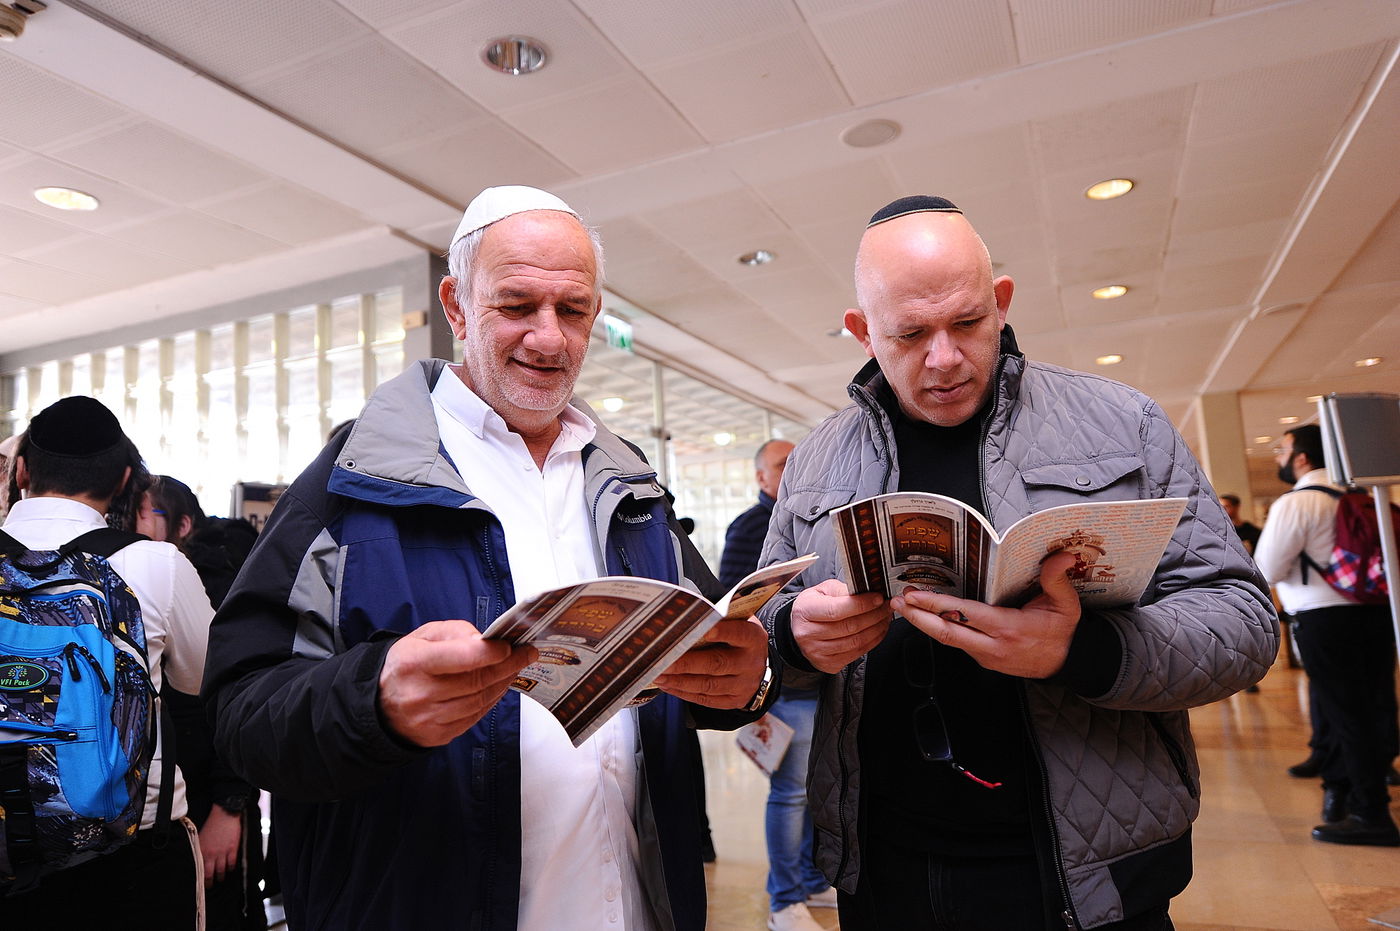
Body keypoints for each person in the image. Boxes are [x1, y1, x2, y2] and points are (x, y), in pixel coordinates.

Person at [201, 185, 774, 931]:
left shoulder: (630, 483)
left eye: (572, 310)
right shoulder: (356, 481)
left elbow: (710, 647)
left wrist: (750, 680)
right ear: (457, 304)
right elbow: (242, 709)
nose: (549, 337)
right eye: (517, 304)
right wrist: (372, 701)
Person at [758, 195, 1278, 930]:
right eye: (909, 334)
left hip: (1085, 875)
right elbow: (761, 629)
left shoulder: (1122, 424)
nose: (944, 358)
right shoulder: (814, 462)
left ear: (1000, 303)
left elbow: (1246, 622)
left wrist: (1085, 649)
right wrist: (793, 636)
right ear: (861, 333)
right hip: (884, 869)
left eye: (967, 323)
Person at [4, 397, 213, 927]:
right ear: (124, 480)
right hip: (130, 855)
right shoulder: (155, 564)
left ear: (22, 469)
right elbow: (204, 678)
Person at [1253, 424, 1398, 846]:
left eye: (1282, 450)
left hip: (1323, 618)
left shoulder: (1297, 503)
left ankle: (1369, 812)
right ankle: (1359, 790)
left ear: (1301, 457)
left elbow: (1266, 570)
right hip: (1375, 611)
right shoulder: (1364, 495)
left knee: (1343, 714)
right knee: (1374, 705)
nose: (1278, 458)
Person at [136, 476, 267, 929]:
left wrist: (229, 808)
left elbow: (242, 697)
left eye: (144, 513)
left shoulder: (219, 579)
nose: (131, 524)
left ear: (183, 525)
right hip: (173, 807)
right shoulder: (130, 577)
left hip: (215, 796)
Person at [719, 440, 832, 931]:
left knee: (816, 790)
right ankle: (783, 899)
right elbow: (733, 608)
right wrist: (756, 696)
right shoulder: (749, 527)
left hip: (824, 679)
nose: (792, 473)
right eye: (782, 466)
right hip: (784, 687)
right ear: (762, 479)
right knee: (790, 794)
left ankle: (809, 879)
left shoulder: (814, 520)